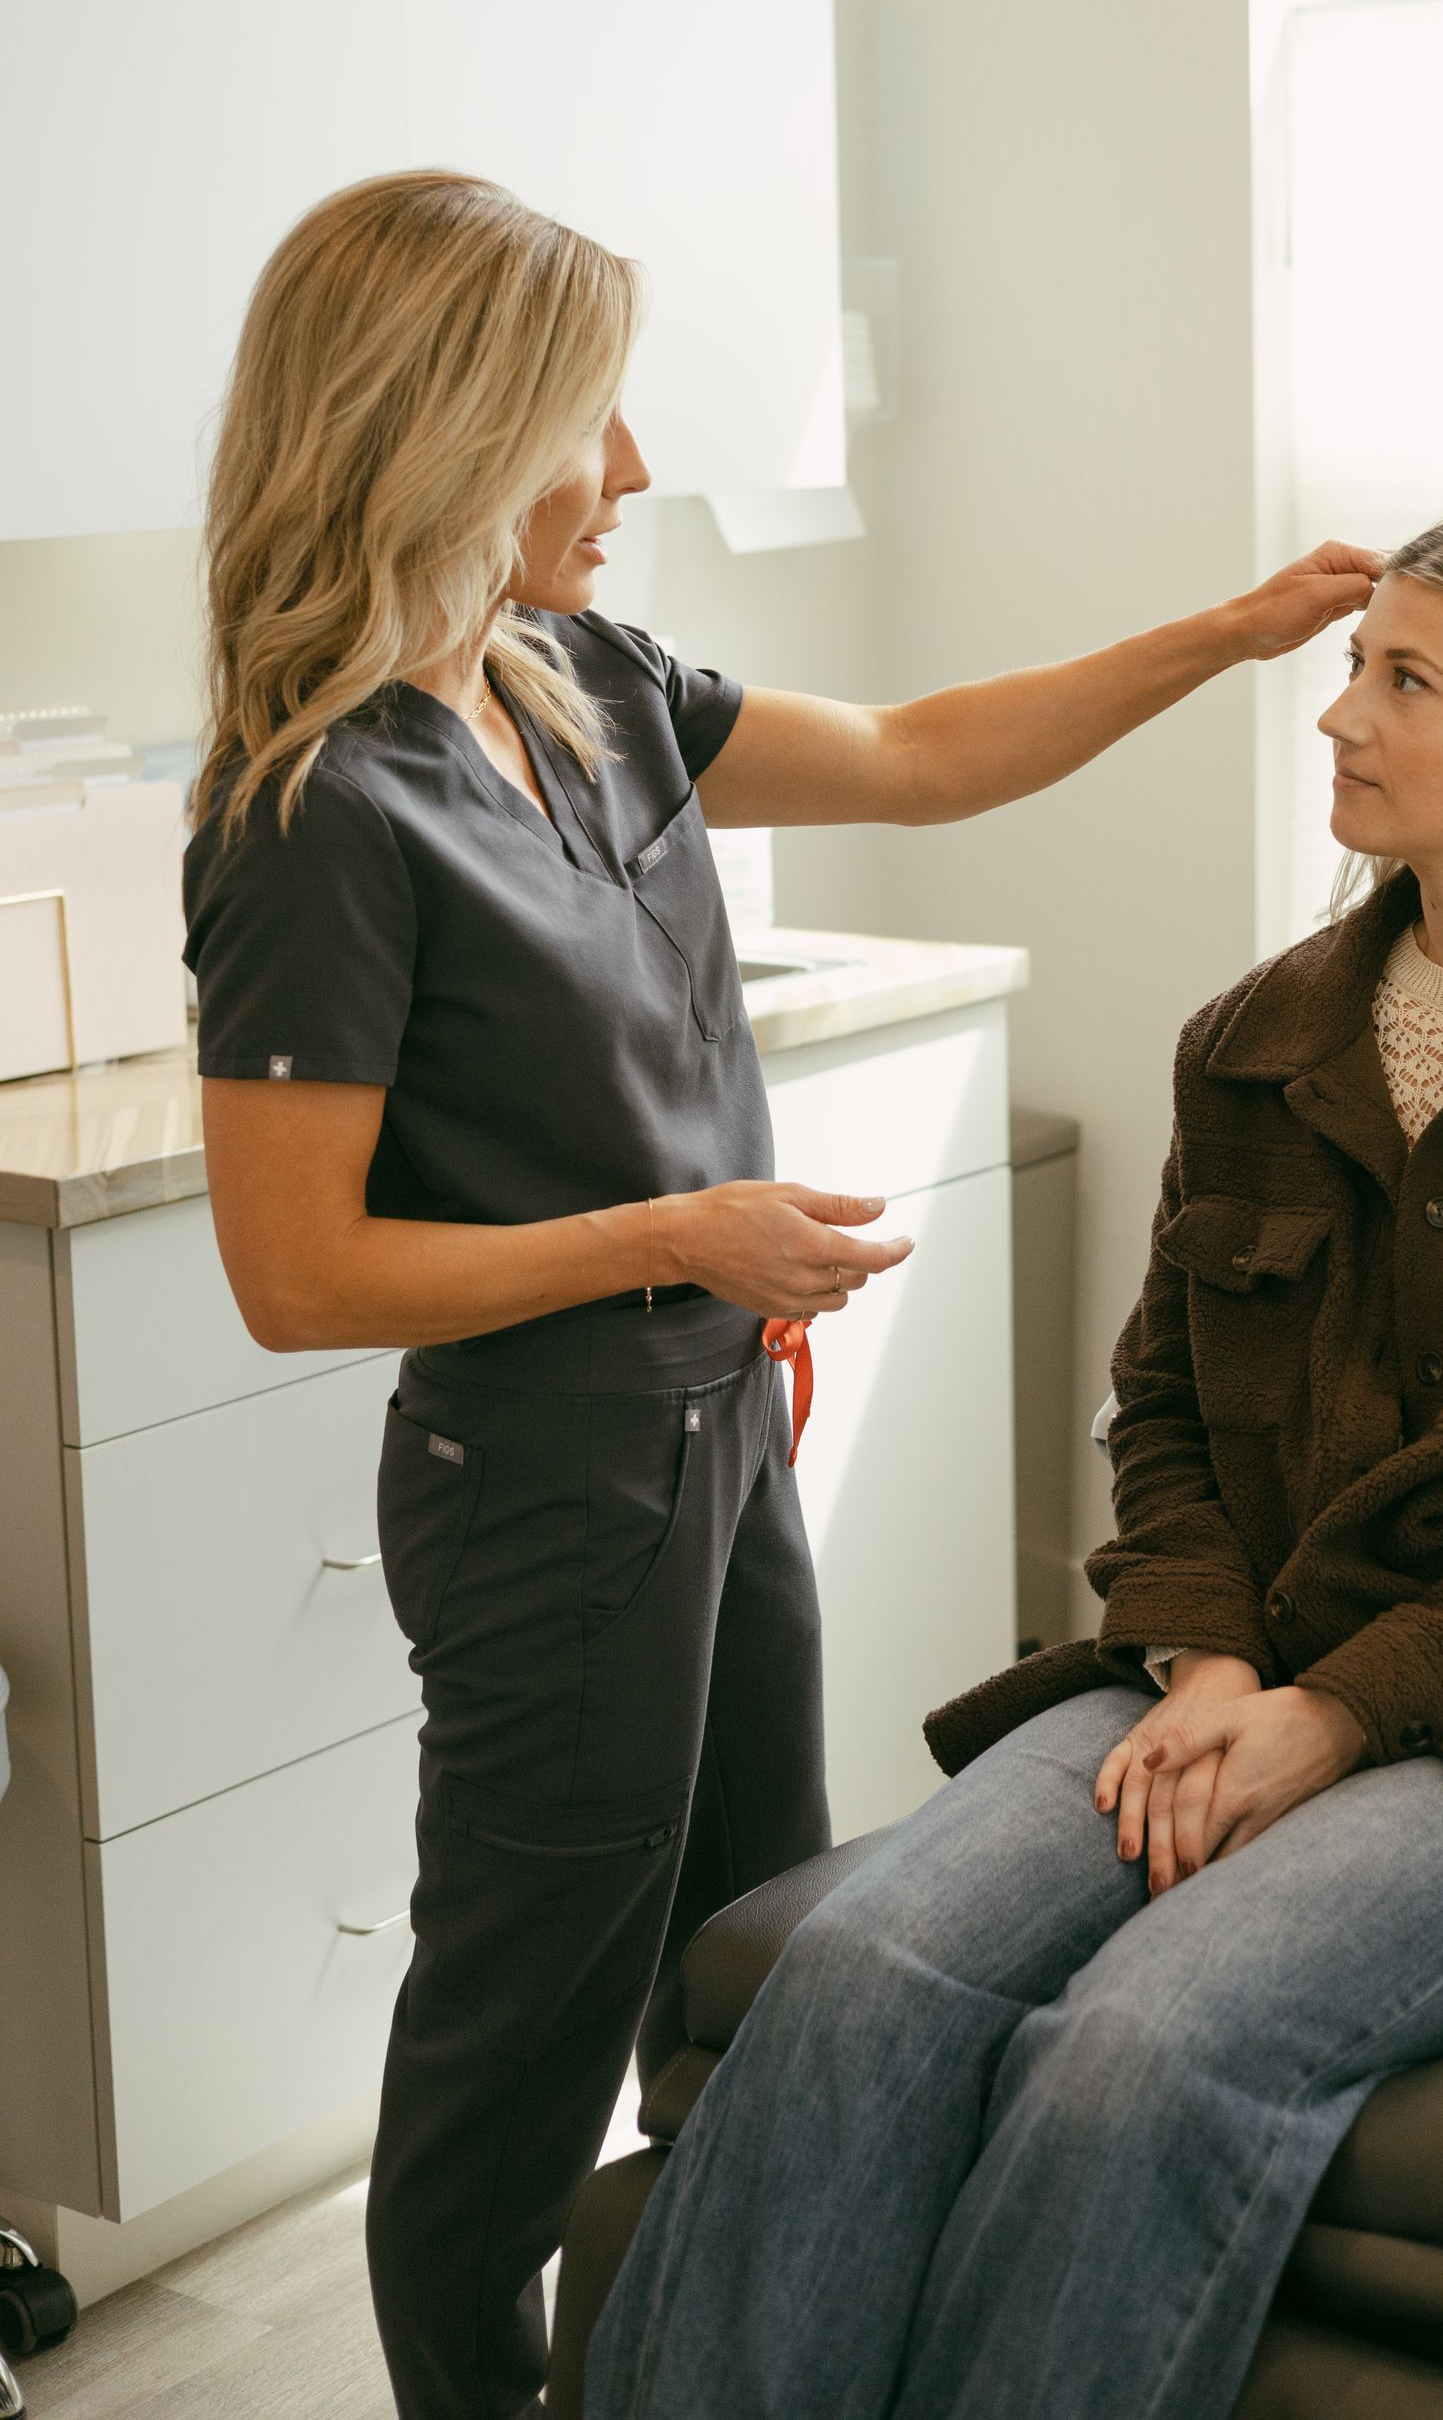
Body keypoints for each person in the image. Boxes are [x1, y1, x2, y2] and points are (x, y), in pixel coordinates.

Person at [180, 167, 1379, 2420]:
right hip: (540, 1483)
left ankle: (709, 2364)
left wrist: (1221, 637)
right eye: (588, 423)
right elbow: (295, 1270)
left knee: (754, 1960)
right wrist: (676, 1238)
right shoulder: (316, 809)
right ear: (444, 427)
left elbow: (925, 757)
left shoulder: (591, 682)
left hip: (715, 1433)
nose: (630, 473)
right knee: (514, 2038)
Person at [584, 513, 1443, 2420]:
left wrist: (1344, 1709)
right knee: (853, 1976)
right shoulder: (1260, 1042)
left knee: (1142, 2046)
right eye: (1351, 668)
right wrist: (1216, 1667)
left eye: (1400, 679)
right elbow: (1164, 1416)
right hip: (1240, 1677)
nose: (1332, 717)